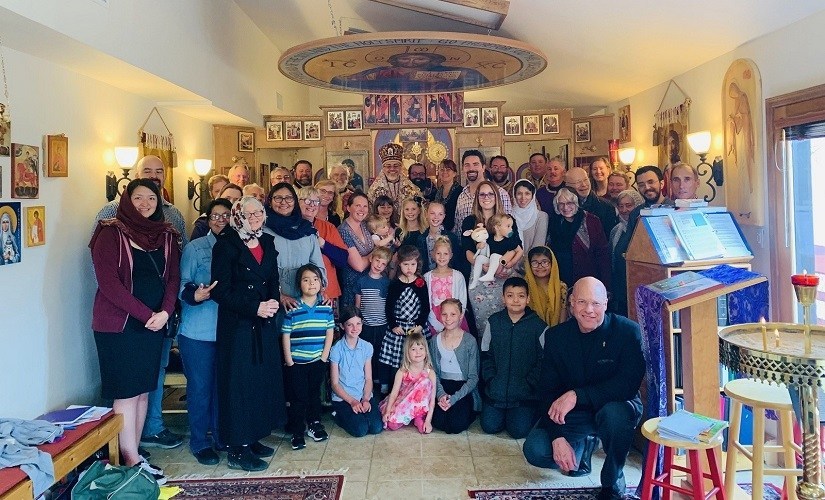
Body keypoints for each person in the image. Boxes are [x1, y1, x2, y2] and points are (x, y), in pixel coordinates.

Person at [90, 178, 181, 484]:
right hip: (120, 327)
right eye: (139, 198)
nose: (145, 204)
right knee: (126, 393)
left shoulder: (165, 234)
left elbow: (172, 278)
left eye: (151, 200)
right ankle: (128, 458)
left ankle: (135, 453)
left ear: (159, 203)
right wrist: (147, 315)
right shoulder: (109, 231)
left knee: (143, 393)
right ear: (127, 200)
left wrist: (166, 312)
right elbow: (109, 284)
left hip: (154, 324)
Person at [523, 277, 645, 500]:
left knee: (615, 416)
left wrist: (577, 395)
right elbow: (546, 390)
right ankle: (584, 444)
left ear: (606, 304)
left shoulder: (628, 332)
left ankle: (612, 480)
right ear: (571, 303)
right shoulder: (556, 337)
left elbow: (627, 385)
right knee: (536, 449)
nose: (589, 310)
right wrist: (557, 438)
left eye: (596, 303)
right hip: (576, 412)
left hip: (615, 406)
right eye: (581, 302)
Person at [211, 195, 286, 472]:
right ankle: (237, 449)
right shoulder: (227, 244)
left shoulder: (266, 241)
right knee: (239, 385)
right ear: (238, 214)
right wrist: (255, 306)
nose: (254, 217)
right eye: (249, 213)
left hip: (264, 321)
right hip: (238, 326)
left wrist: (273, 302)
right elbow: (220, 291)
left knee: (259, 382)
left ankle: (252, 437)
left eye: (258, 213)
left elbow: (273, 278)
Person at [177, 199, 230, 466]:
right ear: (208, 220)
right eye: (215, 216)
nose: (221, 220)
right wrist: (196, 294)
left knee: (223, 388)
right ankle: (200, 442)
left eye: (226, 215)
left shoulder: (237, 246)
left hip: (229, 331)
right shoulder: (195, 248)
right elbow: (181, 285)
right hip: (198, 332)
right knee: (200, 389)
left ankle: (222, 437)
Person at [480, 277, 547, 439]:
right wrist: (491, 380)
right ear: (503, 298)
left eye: (521, 296)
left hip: (524, 394)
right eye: (510, 296)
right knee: (489, 426)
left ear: (528, 298)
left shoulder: (539, 326)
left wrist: (530, 383)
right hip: (496, 391)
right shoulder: (494, 322)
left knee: (519, 431)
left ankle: (519, 414)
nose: (515, 300)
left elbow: (544, 361)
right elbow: (485, 354)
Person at [282, 264, 334, 451]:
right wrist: (289, 360)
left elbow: (329, 333)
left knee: (314, 396)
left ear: (321, 283)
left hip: (317, 361)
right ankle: (297, 431)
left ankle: (314, 424)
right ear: (299, 284)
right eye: (306, 279)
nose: (311, 283)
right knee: (298, 398)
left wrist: (324, 356)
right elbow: (286, 335)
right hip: (296, 363)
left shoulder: (325, 308)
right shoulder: (293, 308)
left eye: (315, 279)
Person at [461, 181, 521, 335]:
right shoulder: (470, 221)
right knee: (484, 325)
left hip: (504, 276)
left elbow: (518, 248)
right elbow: (467, 251)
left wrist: (508, 266)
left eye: (490, 194)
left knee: (507, 323)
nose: (486, 197)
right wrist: (485, 267)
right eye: (482, 194)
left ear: (496, 197)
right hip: (480, 277)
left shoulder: (507, 219)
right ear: (477, 198)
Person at [612, 166, 673, 316]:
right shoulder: (635, 214)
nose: (647, 187)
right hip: (642, 278)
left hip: (667, 278)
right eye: (641, 184)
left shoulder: (674, 208)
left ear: (661, 183)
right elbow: (630, 247)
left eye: (651, 182)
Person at [263, 183, 326, 310]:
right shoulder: (262, 231)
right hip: (273, 300)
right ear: (270, 201)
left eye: (289, 198)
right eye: (278, 198)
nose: (284, 202)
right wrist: (279, 296)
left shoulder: (306, 230)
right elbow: (260, 270)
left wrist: (320, 290)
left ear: (295, 201)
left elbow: (317, 264)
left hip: (306, 299)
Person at [378, 245, 430, 388]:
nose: (409, 268)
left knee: (415, 355)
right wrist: (394, 325)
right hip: (399, 327)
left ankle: (414, 385)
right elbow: (389, 307)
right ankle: (392, 386)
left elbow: (426, 307)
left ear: (417, 264)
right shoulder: (395, 284)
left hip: (415, 327)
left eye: (413, 264)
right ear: (399, 264)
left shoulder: (421, 283)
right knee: (396, 358)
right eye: (406, 264)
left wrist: (419, 325)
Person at [329, 306, 384, 437]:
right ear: (342, 326)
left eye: (358, 323)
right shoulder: (336, 349)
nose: (355, 328)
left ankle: (361, 411)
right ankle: (336, 414)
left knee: (376, 427)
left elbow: (369, 378)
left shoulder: (367, 347)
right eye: (350, 324)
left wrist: (365, 398)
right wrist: (352, 401)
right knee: (360, 430)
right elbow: (335, 384)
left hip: (363, 395)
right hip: (344, 398)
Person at [429, 299, 480, 434]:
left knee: (456, 425)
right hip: (443, 385)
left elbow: (473, 378)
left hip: (463, 388)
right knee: (439, 422)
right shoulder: (435, 340)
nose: (448, 318)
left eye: (453, 314)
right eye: (444, 314)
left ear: (461, 315)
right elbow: (433, 372)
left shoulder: (470, 341)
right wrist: (440, 395)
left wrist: (455, 398)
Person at [547, 187, 611, 289]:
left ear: (576, 203)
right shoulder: (553, 222)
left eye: (570, 203)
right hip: (561, 281)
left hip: (588, 280)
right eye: (561, 203)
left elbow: (602, 254)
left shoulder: (591, 221)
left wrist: (606, 285)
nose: (565, 207)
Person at [296, 186, 347, 304]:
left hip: (326, 294)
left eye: (316, 202)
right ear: (297, 202)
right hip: (297, 293)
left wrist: (323, 244)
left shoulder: (328, 227)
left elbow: (343, 260)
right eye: (307, 200)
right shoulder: (288, 228)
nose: (312, 205)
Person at [380, 332, 437, 433]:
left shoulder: (430, 373)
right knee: (391, 424)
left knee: (424, 382)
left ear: (426, 351)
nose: (418, 352)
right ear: (407, 352)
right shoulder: (402, 371)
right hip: (404, 403)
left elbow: (432, 401)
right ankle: (408, 417)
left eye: (421, 348)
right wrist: (388, 411)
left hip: (420, 408)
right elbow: (394, 394)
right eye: (413, 349)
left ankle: (418, 418)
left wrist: (428, 421)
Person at [355, 247, 391, 392]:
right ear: (371, 259)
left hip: (382, 324)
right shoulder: (361, 281)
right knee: (367, 353)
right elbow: (358, 304)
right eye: (377, 261)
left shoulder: (386, 282)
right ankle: (368, 380)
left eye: (383, 264)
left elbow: (388, 305)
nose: (379, 265)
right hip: (367, 325)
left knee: (382, 353)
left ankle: (383, 382)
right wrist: (359, 321)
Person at [454, 150, 512, 233]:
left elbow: (509, 227)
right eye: (467, 165)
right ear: (463, 169)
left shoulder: (500, 193)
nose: (471, 168)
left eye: (475, 164)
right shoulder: (462, 196)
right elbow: (458, 228)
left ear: (483, 167)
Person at [424, 236, 469, 337]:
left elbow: (462, 301)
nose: (442, 257)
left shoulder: (458, 276)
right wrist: (435, 323)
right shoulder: (427, 277)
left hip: (454, 319)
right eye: (438, 253)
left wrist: (456, 320)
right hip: (433, 320)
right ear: (433, 255)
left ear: (451, 255)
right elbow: (426, 302)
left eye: (445, 254)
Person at [609, 190, 644, 316]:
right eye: (621, 206)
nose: (624, 210)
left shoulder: (643, 228)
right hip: (621, 289)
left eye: (629, 205)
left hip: (640, 286)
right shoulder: (616, 230)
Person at [338, 191, 375, 306]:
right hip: (352, 286)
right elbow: (358, 266)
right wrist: (376, 251)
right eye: (358, 205)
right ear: (348, 208)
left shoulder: (365, 225)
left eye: (365, 206)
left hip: (369, 283)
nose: (362, 209)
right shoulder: (343, 231)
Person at [468, 214, 522, 290]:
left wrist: (512, 262)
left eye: (511, 227)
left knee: (494, 255)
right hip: (491, 263)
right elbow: (481, 244)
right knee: (479, 258)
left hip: (501, 262)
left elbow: (519, 251)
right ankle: (475, 280)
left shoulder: (510, 241)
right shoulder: (490, 238)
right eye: (508, 226)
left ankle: (490, 275)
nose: (511, 229)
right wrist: (479, 245)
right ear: (497, 227)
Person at [418, 200, 469, 278]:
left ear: (444, 216)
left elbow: (457, 262)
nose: (436, 217)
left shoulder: (452, 238)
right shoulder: (421, 238)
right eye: (432, 213)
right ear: (426, 214)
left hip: (448, 279)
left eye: (440, 214)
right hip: (428, 279)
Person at [565, 166, 618, 239]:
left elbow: (609, 239)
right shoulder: (562, 206)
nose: (584, 185)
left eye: (586, 180)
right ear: (567, 185)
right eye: (578, 182)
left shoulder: (606, 207)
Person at [368, 143, 421, 213]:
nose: (392, 169)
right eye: (388, 166)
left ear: (401, 167)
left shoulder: (411, 189)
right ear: (383, 168)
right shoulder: (374, 191)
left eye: (396, 166)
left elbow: (420, 208)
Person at [523, 246, 567, 328]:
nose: (540, 266)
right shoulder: (523, 286)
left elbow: (563, 312)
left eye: (545, 262)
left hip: (555, 332)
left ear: (552, 263)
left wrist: (558, 333)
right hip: (530, 332)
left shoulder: (561, 287)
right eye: (535, 263)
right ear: (529, 265)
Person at [511, 179, 549, 268]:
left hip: (533, 266)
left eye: (527, 193)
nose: (523, 198)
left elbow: (538, 246)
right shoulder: (508, 217)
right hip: (511, 266)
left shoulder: (541, 216)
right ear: (514, 195)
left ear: (532, 196)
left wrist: (524, 265)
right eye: (519, 193)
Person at [435, 159, 462, 232]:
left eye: (448, 169)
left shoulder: (460, 192)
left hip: (456, 232)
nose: (444, 172)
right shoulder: (438, 192)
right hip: (440, 231)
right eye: (442, 169)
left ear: (454, 173)